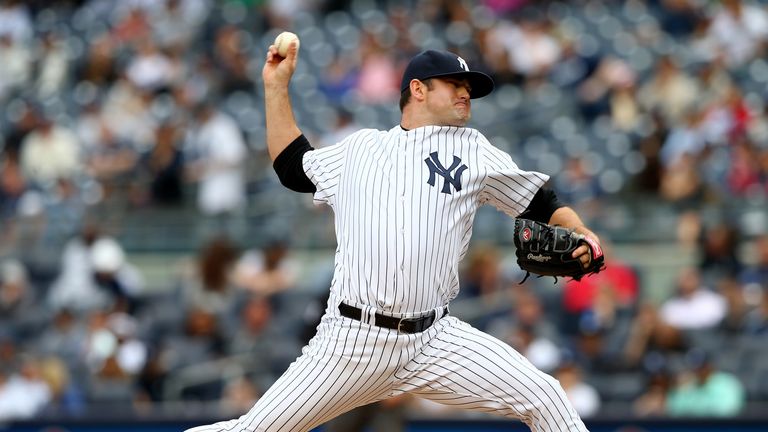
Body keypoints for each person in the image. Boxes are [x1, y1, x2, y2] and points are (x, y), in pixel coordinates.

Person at [186, 42, 602, 432]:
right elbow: (293, 167)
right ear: (417, 90)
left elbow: (540, 202)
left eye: (469, 89)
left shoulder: (474, 149)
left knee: (544, 395)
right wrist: (276, 87)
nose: (466, 94)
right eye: (455, 85)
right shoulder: (360, 149)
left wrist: (580, 230)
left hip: (434, 340)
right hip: (352, 341)